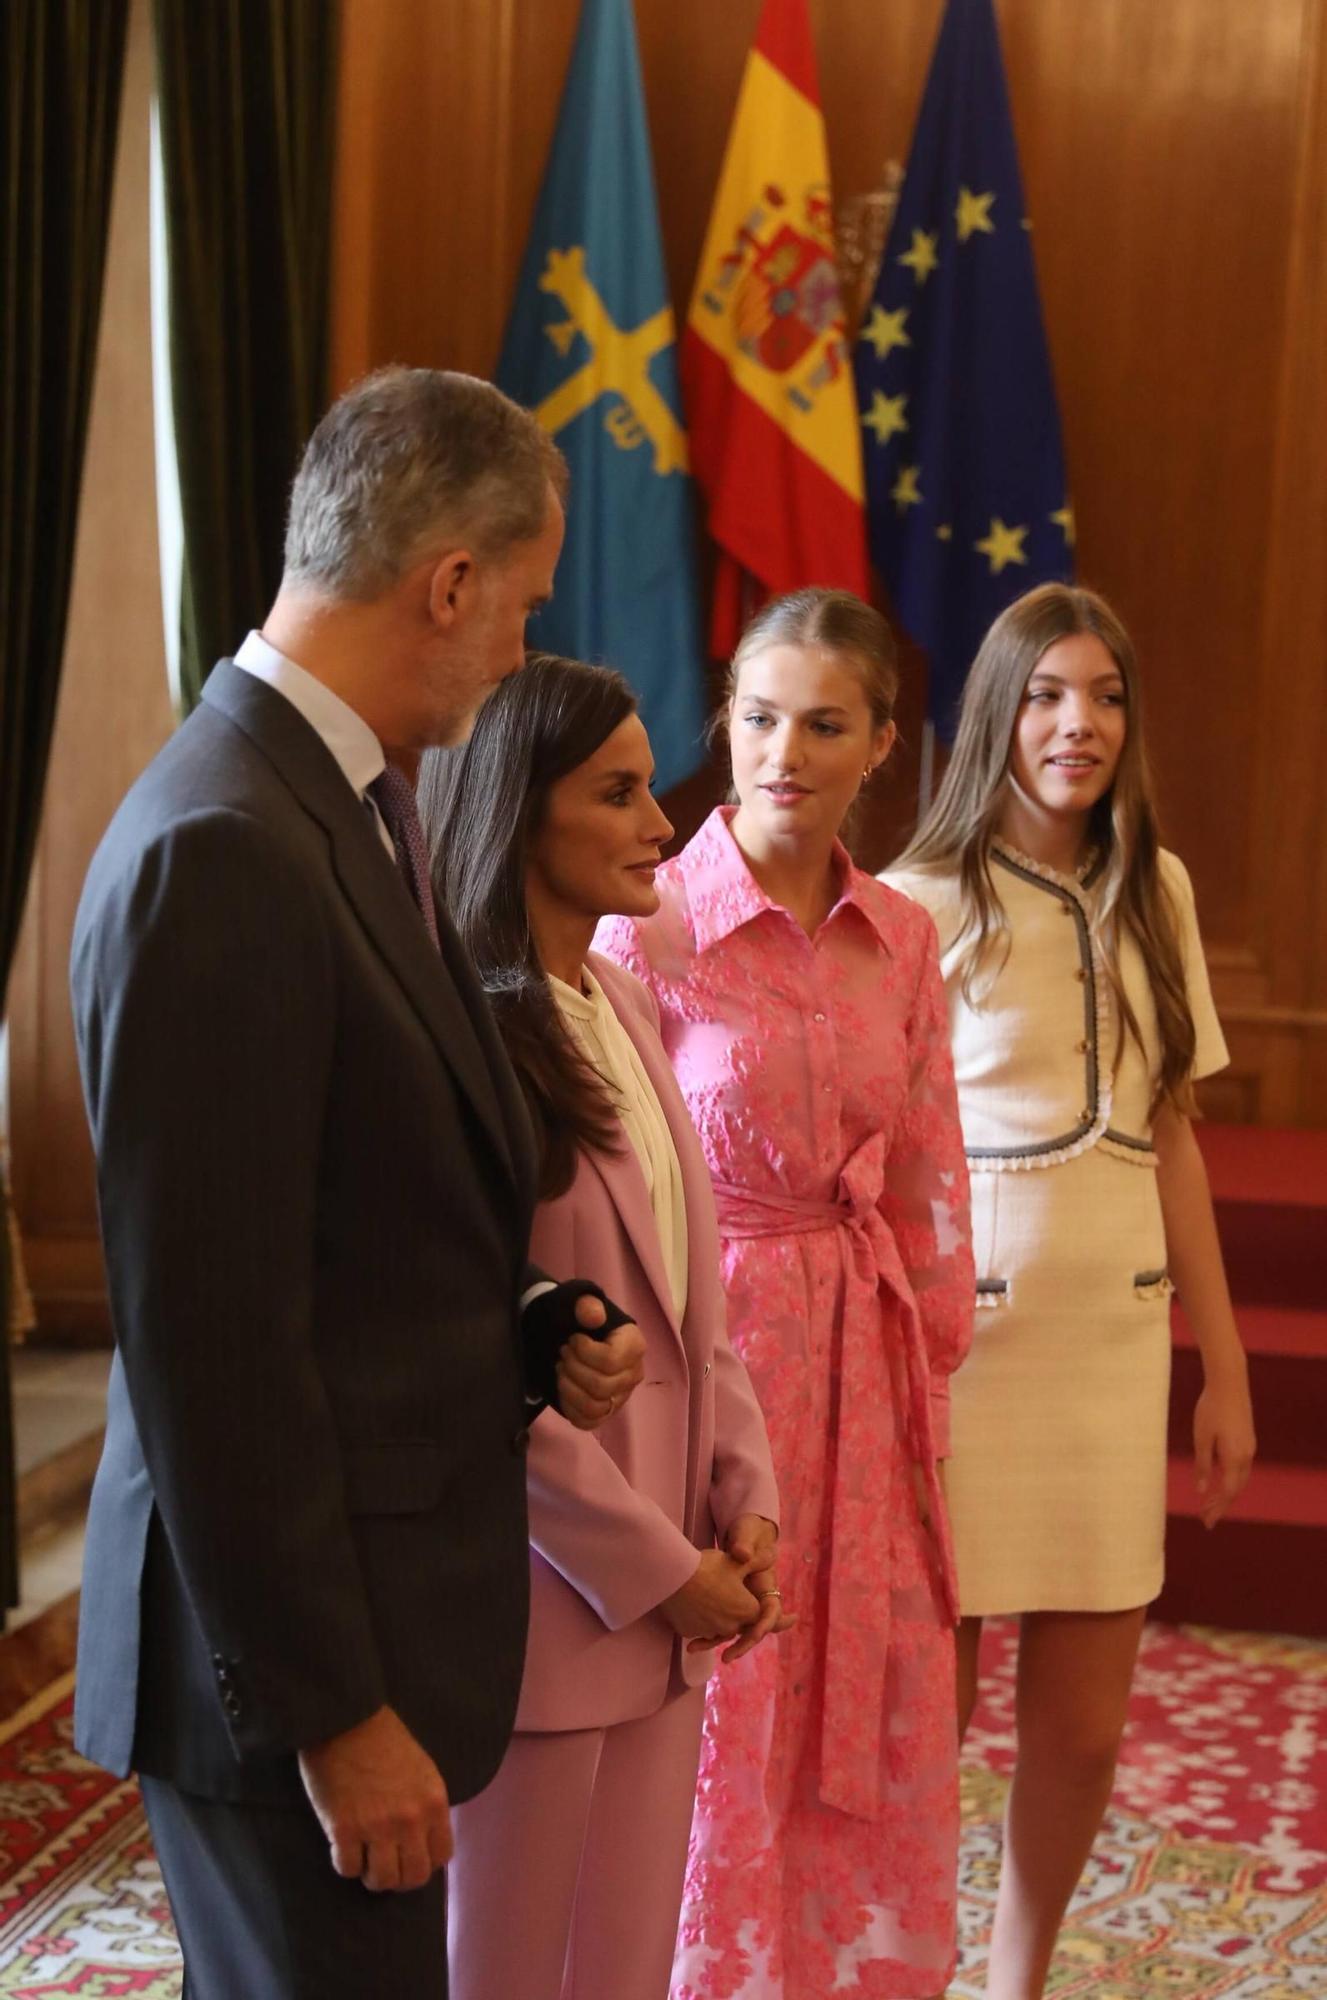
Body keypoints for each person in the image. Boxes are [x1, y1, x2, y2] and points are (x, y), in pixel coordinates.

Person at [69, 367, 647, 2000]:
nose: (524, 647)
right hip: (290, 1682)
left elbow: (343, 1223)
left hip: (357, 1620)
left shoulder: (344, 802)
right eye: (523, 608)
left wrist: (532, 1323)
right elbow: (214, 1346)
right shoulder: (226, 845)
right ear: (448, 584)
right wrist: (336, 1718)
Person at [597, 588, 975, 2000]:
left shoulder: (905, 939)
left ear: (880, 742)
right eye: (760, 719)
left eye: (825, 724)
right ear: (726, 725)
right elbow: (615, 1185)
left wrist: (927, 1388)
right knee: (721, 1695)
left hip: (864, 1370)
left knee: (856, 1691)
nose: (785, 753)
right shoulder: (651, 925)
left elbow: (933, 1175)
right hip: (706, 1347)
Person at [884, 582, 1256, 2000]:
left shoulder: (1158, 889)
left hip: (1114, 1350)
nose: (1077, 723)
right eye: (1046, 694)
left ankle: (1012, 1978)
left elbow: (1173, 1130)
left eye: (1102, 696)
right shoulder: (919, 902)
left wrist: (1221, 1362)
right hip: (965, 1353)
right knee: (941, 1718)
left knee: (1088, 1730)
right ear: (999, 714)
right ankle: (903, 1960)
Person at [417, 654, 786, 2000]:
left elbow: (698, 1306)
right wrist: (655, 1566)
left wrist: (745, 1505)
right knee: (503, 1977)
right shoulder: (468, 1040)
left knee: (622, 1975)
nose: (665, 825)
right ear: (520, 810)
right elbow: (470, 1365)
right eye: (619, 794)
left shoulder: (620, 1000)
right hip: (538, 1615)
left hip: (665, 1609)